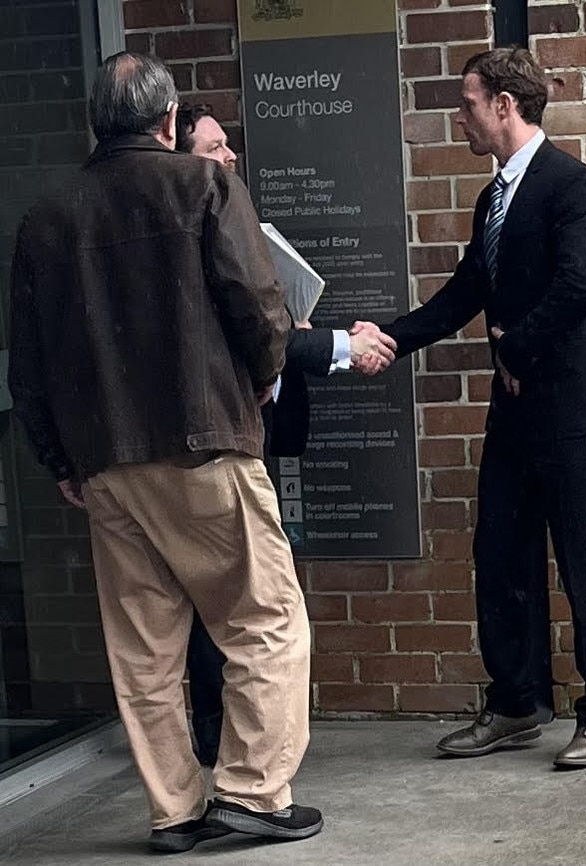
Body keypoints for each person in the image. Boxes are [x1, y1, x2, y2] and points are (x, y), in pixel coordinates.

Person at [9, 51, 325, 852]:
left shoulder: (45, 218)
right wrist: (259, 383)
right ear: (170, 121)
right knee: (265, 621)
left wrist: (59, 460)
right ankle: (252, 794)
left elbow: (29, 363)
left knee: (143, 649)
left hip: (106, 464)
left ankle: (175, 811)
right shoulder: (205, 186)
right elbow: (260, 307)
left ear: (95, 123)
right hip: (203, 440)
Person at [356, 47, 586, 768]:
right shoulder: (493, 199)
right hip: (515, 418)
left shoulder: (573, 185)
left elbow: (579, 287)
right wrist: (389, 335)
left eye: (468, 103)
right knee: (500, 556)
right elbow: (462, 296)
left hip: (575, 412)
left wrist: (513, 350)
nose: (460, 116)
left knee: (584, 564)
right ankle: (516, 704)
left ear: (504, 106)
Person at [176, 103, 397, 765]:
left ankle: (227, 747)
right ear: (179, 154)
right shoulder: (187, 236)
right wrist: (340, 344)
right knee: (250, 604)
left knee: (235, 602)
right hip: (210, 448)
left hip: (247, 433)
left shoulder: (222, 220)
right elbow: (249, 329)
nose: (230, 157)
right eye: (215, 147)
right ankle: (240, 754)